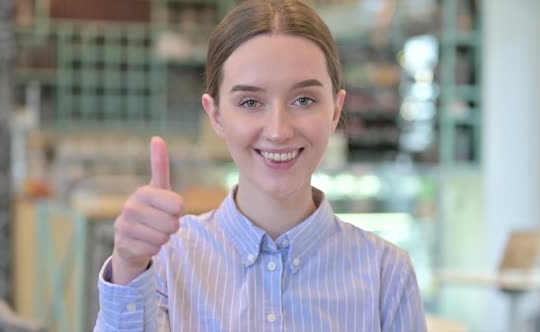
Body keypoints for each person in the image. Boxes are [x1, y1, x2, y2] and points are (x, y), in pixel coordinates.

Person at [94, 0, 427, 330]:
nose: (278, 131)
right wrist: (129, 266)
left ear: (336, 110)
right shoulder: (166, 260)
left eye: (304, 100)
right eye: (250, 102)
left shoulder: (387, 274)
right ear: (216, 115)